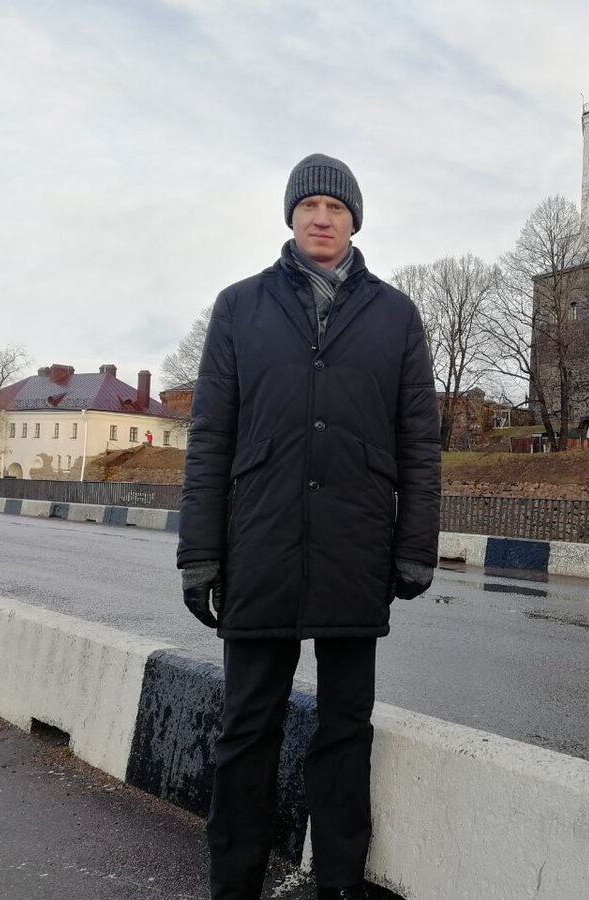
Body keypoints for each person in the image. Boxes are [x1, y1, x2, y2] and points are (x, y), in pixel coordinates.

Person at [177, 153, 441, 900]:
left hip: (356, 549)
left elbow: (419, 441)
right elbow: (210, 438)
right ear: (291, 217)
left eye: (336, 207)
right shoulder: (239, 307)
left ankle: (340, 884)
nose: (321, 218)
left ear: (356, 219)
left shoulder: (396, 315)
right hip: (258, 546)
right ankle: (234, 884)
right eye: (309, 206)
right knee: (246, 730)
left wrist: (415, 545)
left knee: (344, 730)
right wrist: (200, 555)